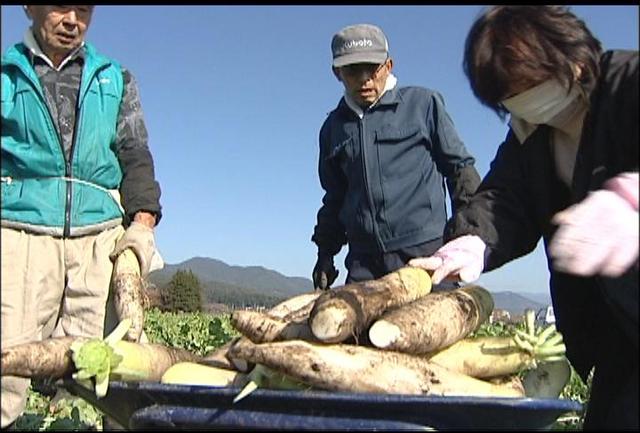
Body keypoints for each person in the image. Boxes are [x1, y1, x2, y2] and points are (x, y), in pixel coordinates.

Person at [409, 6, 638, 430]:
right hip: (618, 342)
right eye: (511, 96)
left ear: (571, 55)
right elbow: (503, 198)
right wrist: (474, 239)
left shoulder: (630, 84)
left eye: (530, 85)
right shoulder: (532, 134)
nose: (524, 101)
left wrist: (632, 201)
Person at [1, 5, 162, 428]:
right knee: (5, 371)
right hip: (18, 233)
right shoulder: (5, 73)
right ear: (30, 7)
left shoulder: (115, 78)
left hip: (98, 239)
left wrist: (142, 224)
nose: (73, 19)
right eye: (60, 7)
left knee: (120, 367)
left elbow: (135, 153)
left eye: (85, 9)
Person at [310, 23, 481, 290]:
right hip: (364, 263)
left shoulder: (423, 105)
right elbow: (335, 198)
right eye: (354, 70)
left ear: (388, 66)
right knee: (357, 331)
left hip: (425, 253)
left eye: (373, 68)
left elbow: (460, 170)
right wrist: (325, 252)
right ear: (337, 73)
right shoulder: (333, 128)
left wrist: (467, 236)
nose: (365, 79)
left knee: (430, 329)